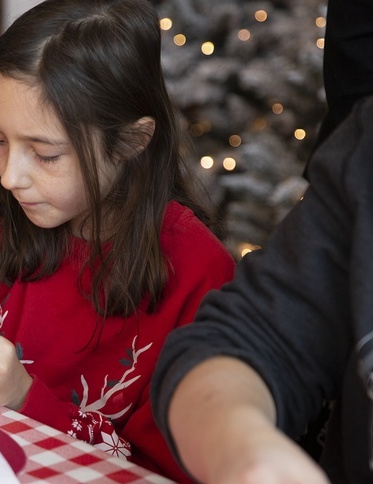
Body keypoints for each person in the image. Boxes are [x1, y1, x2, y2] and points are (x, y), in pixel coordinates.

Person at [0, 0, 234, 480]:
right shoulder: (2, 231)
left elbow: (167, 471)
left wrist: (23, 398)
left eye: (46, 154)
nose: (12, 177)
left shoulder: (200, 272)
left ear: (132, 142)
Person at [150, 0, 373, 481]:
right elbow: (242, 342)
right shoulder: (363, 156)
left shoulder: (184, 253)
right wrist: (242, 449)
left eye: (45, 154)